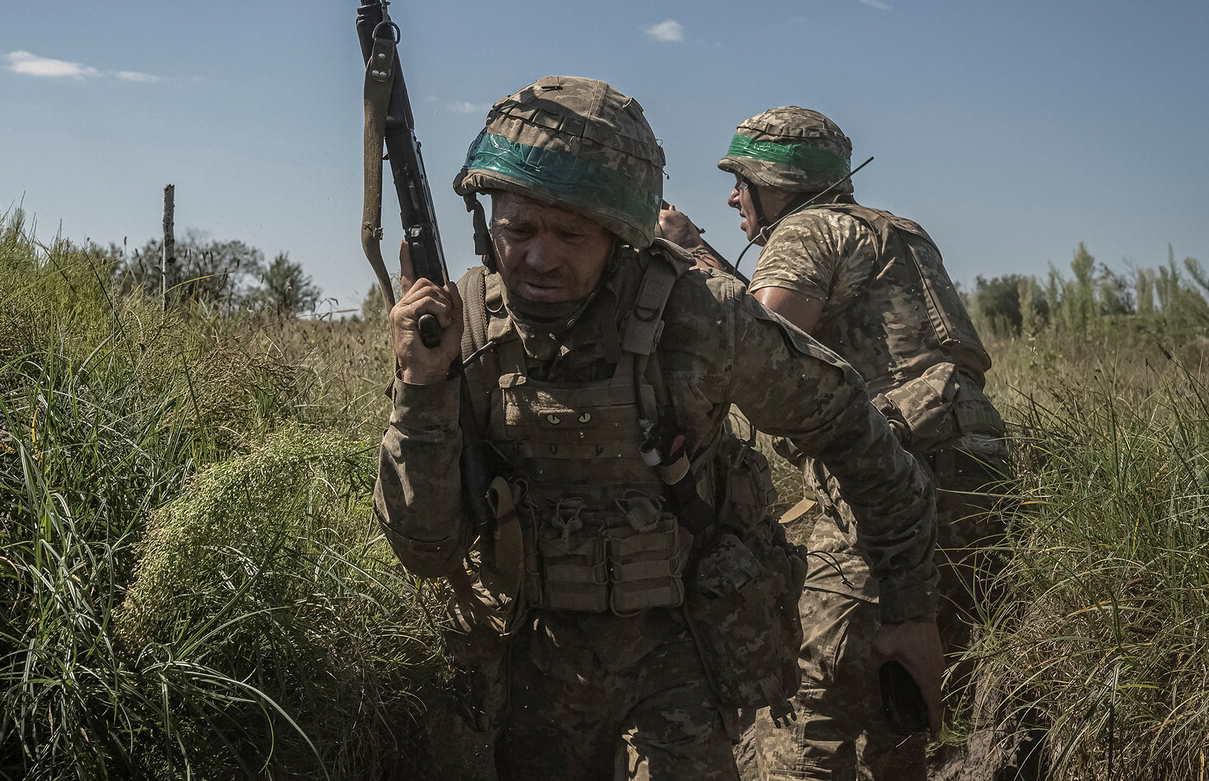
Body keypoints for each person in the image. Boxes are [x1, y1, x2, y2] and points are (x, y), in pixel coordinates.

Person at [375, 77, 944, 781]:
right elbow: (427, 549)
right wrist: (421, 389)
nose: (539, 259)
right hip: (531, 658)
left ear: (623, 237)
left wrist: (910, 610)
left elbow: (857, 437)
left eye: (571, 235)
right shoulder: (458, 328)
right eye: (517, 231)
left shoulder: (701, 319)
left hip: (682, 652)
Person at [664, 105, 1008, 780]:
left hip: (887, 487)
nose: (732, 198)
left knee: (807, 708)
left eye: (740, 181)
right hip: (979, 479)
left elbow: (756, 348)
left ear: (775, 185)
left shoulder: (804, 229)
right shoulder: (900, 233)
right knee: (900, 707)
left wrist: (684, 254)